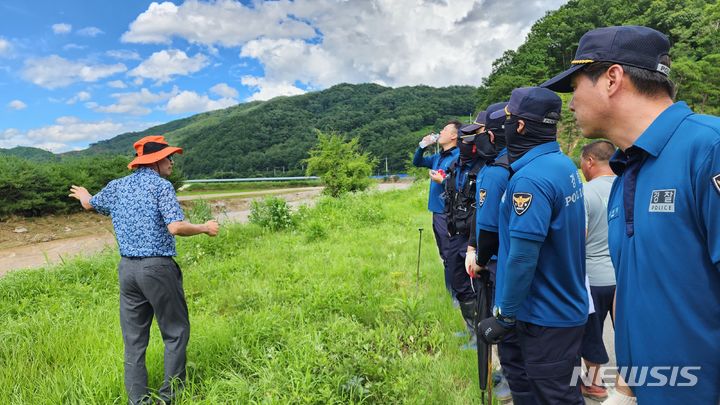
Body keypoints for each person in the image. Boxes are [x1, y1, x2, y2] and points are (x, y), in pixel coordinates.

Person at [542, 25, 720, 404]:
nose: (570, 104)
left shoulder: (708, 149)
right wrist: (625, 387)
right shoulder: (626, 173)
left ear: (611, 78)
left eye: (574, 87)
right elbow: (640, 291)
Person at [69, 135, 219, 405]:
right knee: (175, 332)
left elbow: (91, 204)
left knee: (134, 341)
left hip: (127, 271)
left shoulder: (117, 186)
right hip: (157, 268)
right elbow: (176, 227)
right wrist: (205, 228)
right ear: (155, 161)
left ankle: (138, 401)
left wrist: (84, 195)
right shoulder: (161, 186)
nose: (172, 163)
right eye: (169, 158)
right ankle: (169, 397)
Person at [477, 87, 588, 404]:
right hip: (564, 307)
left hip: (543, 316)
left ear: (520, 126)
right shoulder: (562, 164)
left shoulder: (529, 180)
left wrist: (504, 318)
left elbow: (523, 258)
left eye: (509, 119)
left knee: (554, 396)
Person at [445, 118, 496, 349]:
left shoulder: (485, 169)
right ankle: (471, 329)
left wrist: (474, 245)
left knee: (480, 287)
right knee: (458, 283)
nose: (468, 146)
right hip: (455, 233)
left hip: (473, 238)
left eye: (471, 141)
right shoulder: (455, 166)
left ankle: (481, 338)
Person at [578, 140, 617, 401]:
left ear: (590, 161)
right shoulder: (628, 186)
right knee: (626, 332)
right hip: (624, 275)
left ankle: (594, 384)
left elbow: (580, 237)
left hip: (593, 276)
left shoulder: (586, 192)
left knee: (591, 333)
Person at [413, 122, 460, 301]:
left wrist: (444, 180)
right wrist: (422, 147)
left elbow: (459, 180)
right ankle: (452, 293)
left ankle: (455, 296)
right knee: (444, 253)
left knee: (450, 253)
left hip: (449, 211)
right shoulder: (438, 157)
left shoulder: (458, 156)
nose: (440, 132)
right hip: (437, 212)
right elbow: (417, 162)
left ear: (454, 136)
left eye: (445, 130)